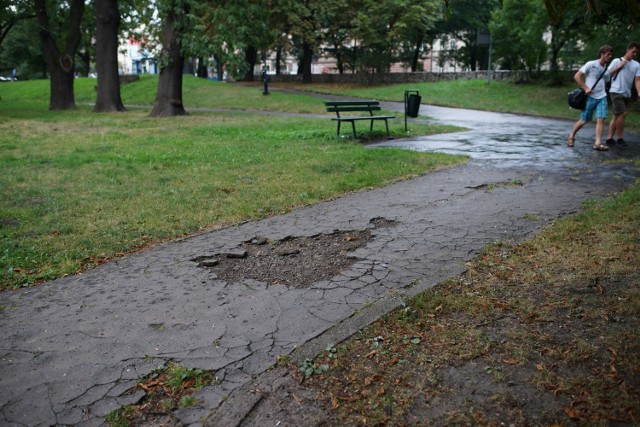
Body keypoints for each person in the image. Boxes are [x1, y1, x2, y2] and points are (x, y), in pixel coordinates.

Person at [567, 45, 614, 151]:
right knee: (584, 120)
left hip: (602, 97)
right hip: (590, 97)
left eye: (611, 55)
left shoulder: (606, 69)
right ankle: (571, 136)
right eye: (608, 54)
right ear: (601, 54)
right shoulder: (591, 64)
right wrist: (586, 87)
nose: (610, 56)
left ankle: (597, 143)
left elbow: (606, 82)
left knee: (601, 119)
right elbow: (577, 76)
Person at [605, 42, 640, 147]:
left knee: (616, 116)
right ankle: (620, 139)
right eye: (633, 51)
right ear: (627, 50)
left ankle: (609, 139)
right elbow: (607, 74)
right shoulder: (617, 60)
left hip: (626, 93)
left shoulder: (637, 65)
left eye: (636, 52)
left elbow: (637, 80)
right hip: (616, 91)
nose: (634, 54)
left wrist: (639, 92)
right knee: (622, 113)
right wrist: (619, 66)